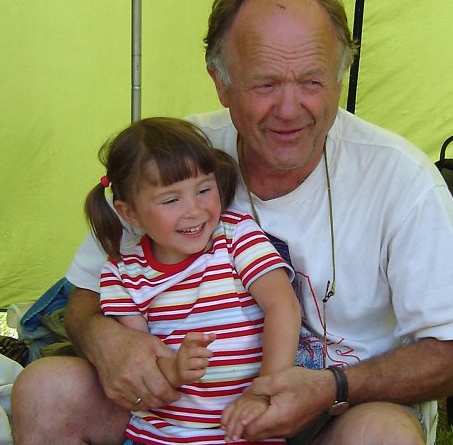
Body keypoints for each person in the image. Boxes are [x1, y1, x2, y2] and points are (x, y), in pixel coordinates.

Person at [12, 0, 453, 445]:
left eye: (312, 81)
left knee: (383, 435)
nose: (289, 108)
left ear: (339, 79)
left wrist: (335, 386)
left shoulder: (399, 178)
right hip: (178, 409)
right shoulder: (178, 158)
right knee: (46, 391)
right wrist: (105, 341)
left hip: (336, 411)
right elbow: (85, 297)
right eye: (265, 83)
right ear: (221, 84)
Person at [85, 116, 300, 444]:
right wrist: (175, 369)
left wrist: (264, 393)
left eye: (204, 189)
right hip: (162, 435)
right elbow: (140, 364)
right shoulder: (122, 274)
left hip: (248, 428)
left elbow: (283, 307)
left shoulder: (236, 235)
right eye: (171, 200)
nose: (195, 210)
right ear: (130, 213)